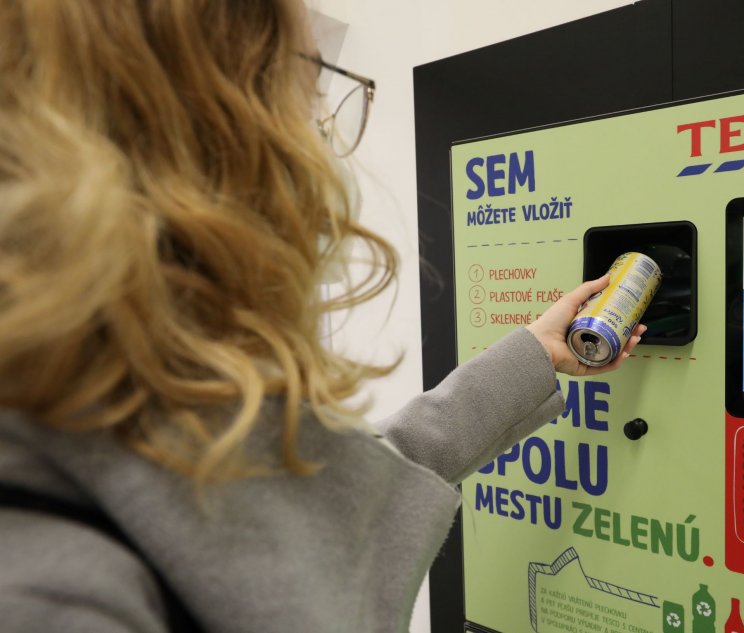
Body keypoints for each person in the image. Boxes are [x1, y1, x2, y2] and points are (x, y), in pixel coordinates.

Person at [0, 2, 646, 632]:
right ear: (200, 136)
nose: (323, 137)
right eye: (311, 86)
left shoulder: (139, 410)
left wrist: (533, 354)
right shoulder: (51, 588)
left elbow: (336, 498)